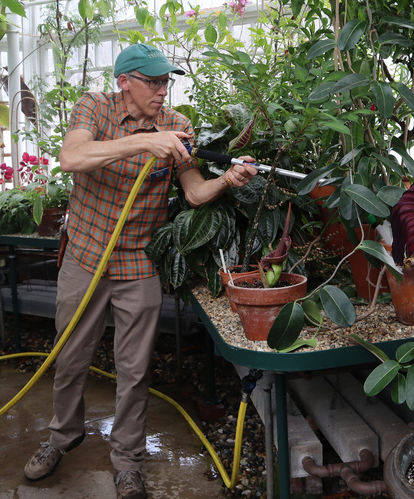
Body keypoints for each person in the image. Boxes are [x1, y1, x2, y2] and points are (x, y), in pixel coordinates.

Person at [23, 44, 258, 499]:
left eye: (166, 82)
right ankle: (61, 437)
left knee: (134, 368)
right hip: (85, 257)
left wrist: (228, 180)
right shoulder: (94, 107)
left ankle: (128, 462)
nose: (162, 90)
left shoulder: (178, 126)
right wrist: (143, 141)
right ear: (124, 81)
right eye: (153, 81)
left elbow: (192, 193)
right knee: (70, 356)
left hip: (136, 263)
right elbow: (71, 157)